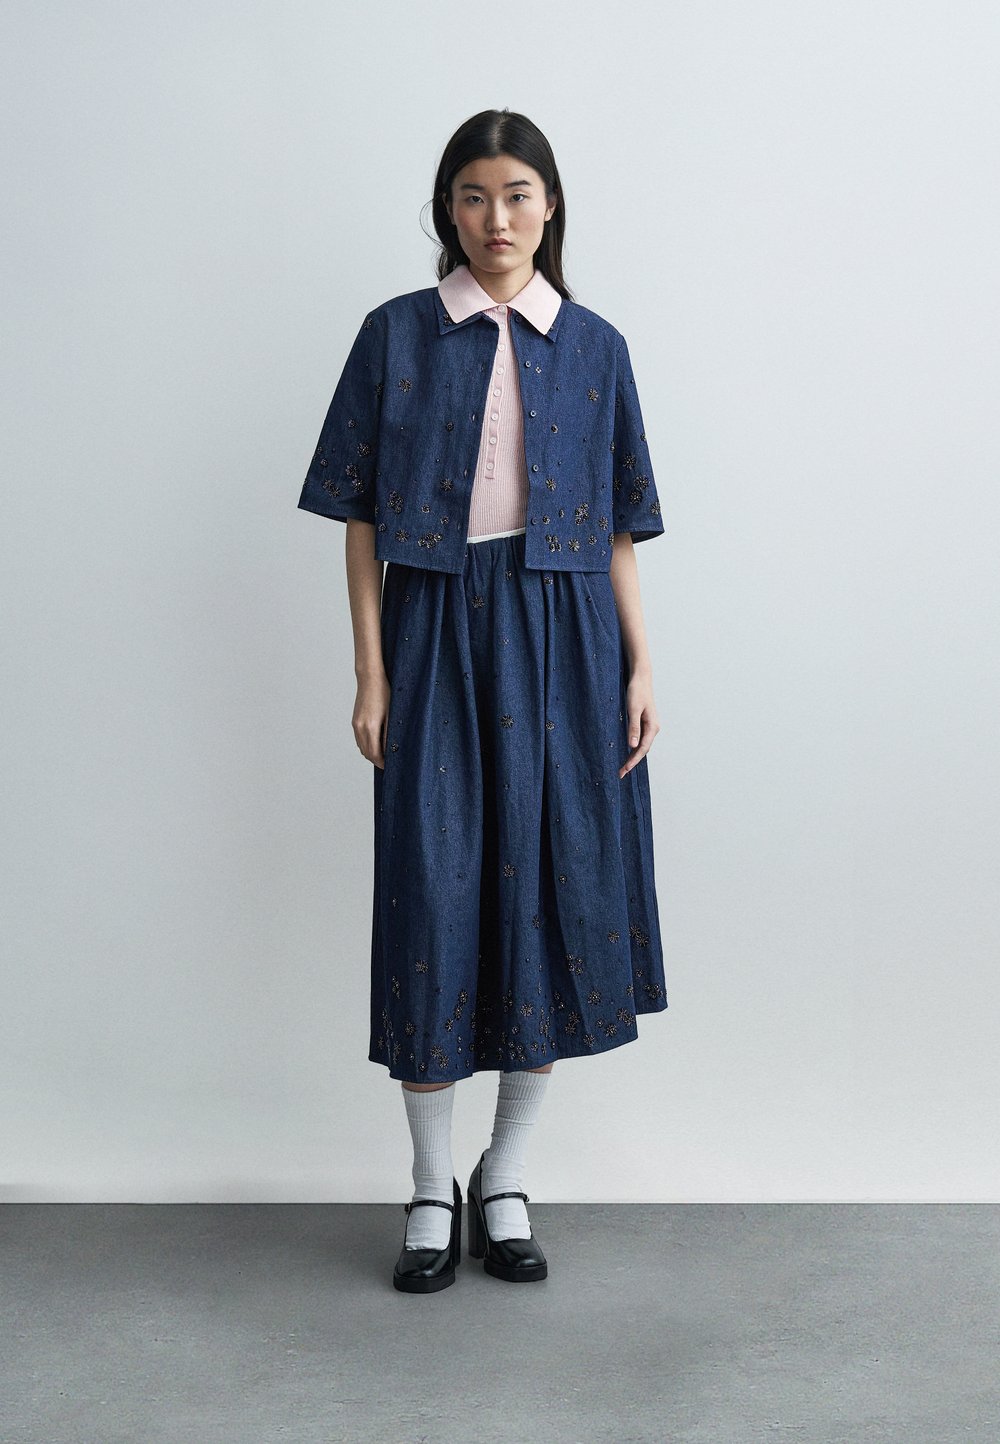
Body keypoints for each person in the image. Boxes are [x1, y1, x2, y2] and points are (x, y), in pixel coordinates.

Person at [297, 108, 668, 1294]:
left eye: (516, 194)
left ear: (549, 206)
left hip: (567, 636)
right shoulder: (396, 334)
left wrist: (641, 663)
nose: (495, 218)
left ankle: (504, 1174)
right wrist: (371, 671)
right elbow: (360, 517)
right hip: (434, 625)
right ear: (445, 210)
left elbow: (617, 525)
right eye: (471, 194)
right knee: (435, 889)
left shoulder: (596, 347)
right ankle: (427, 1182)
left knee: (544, 897)